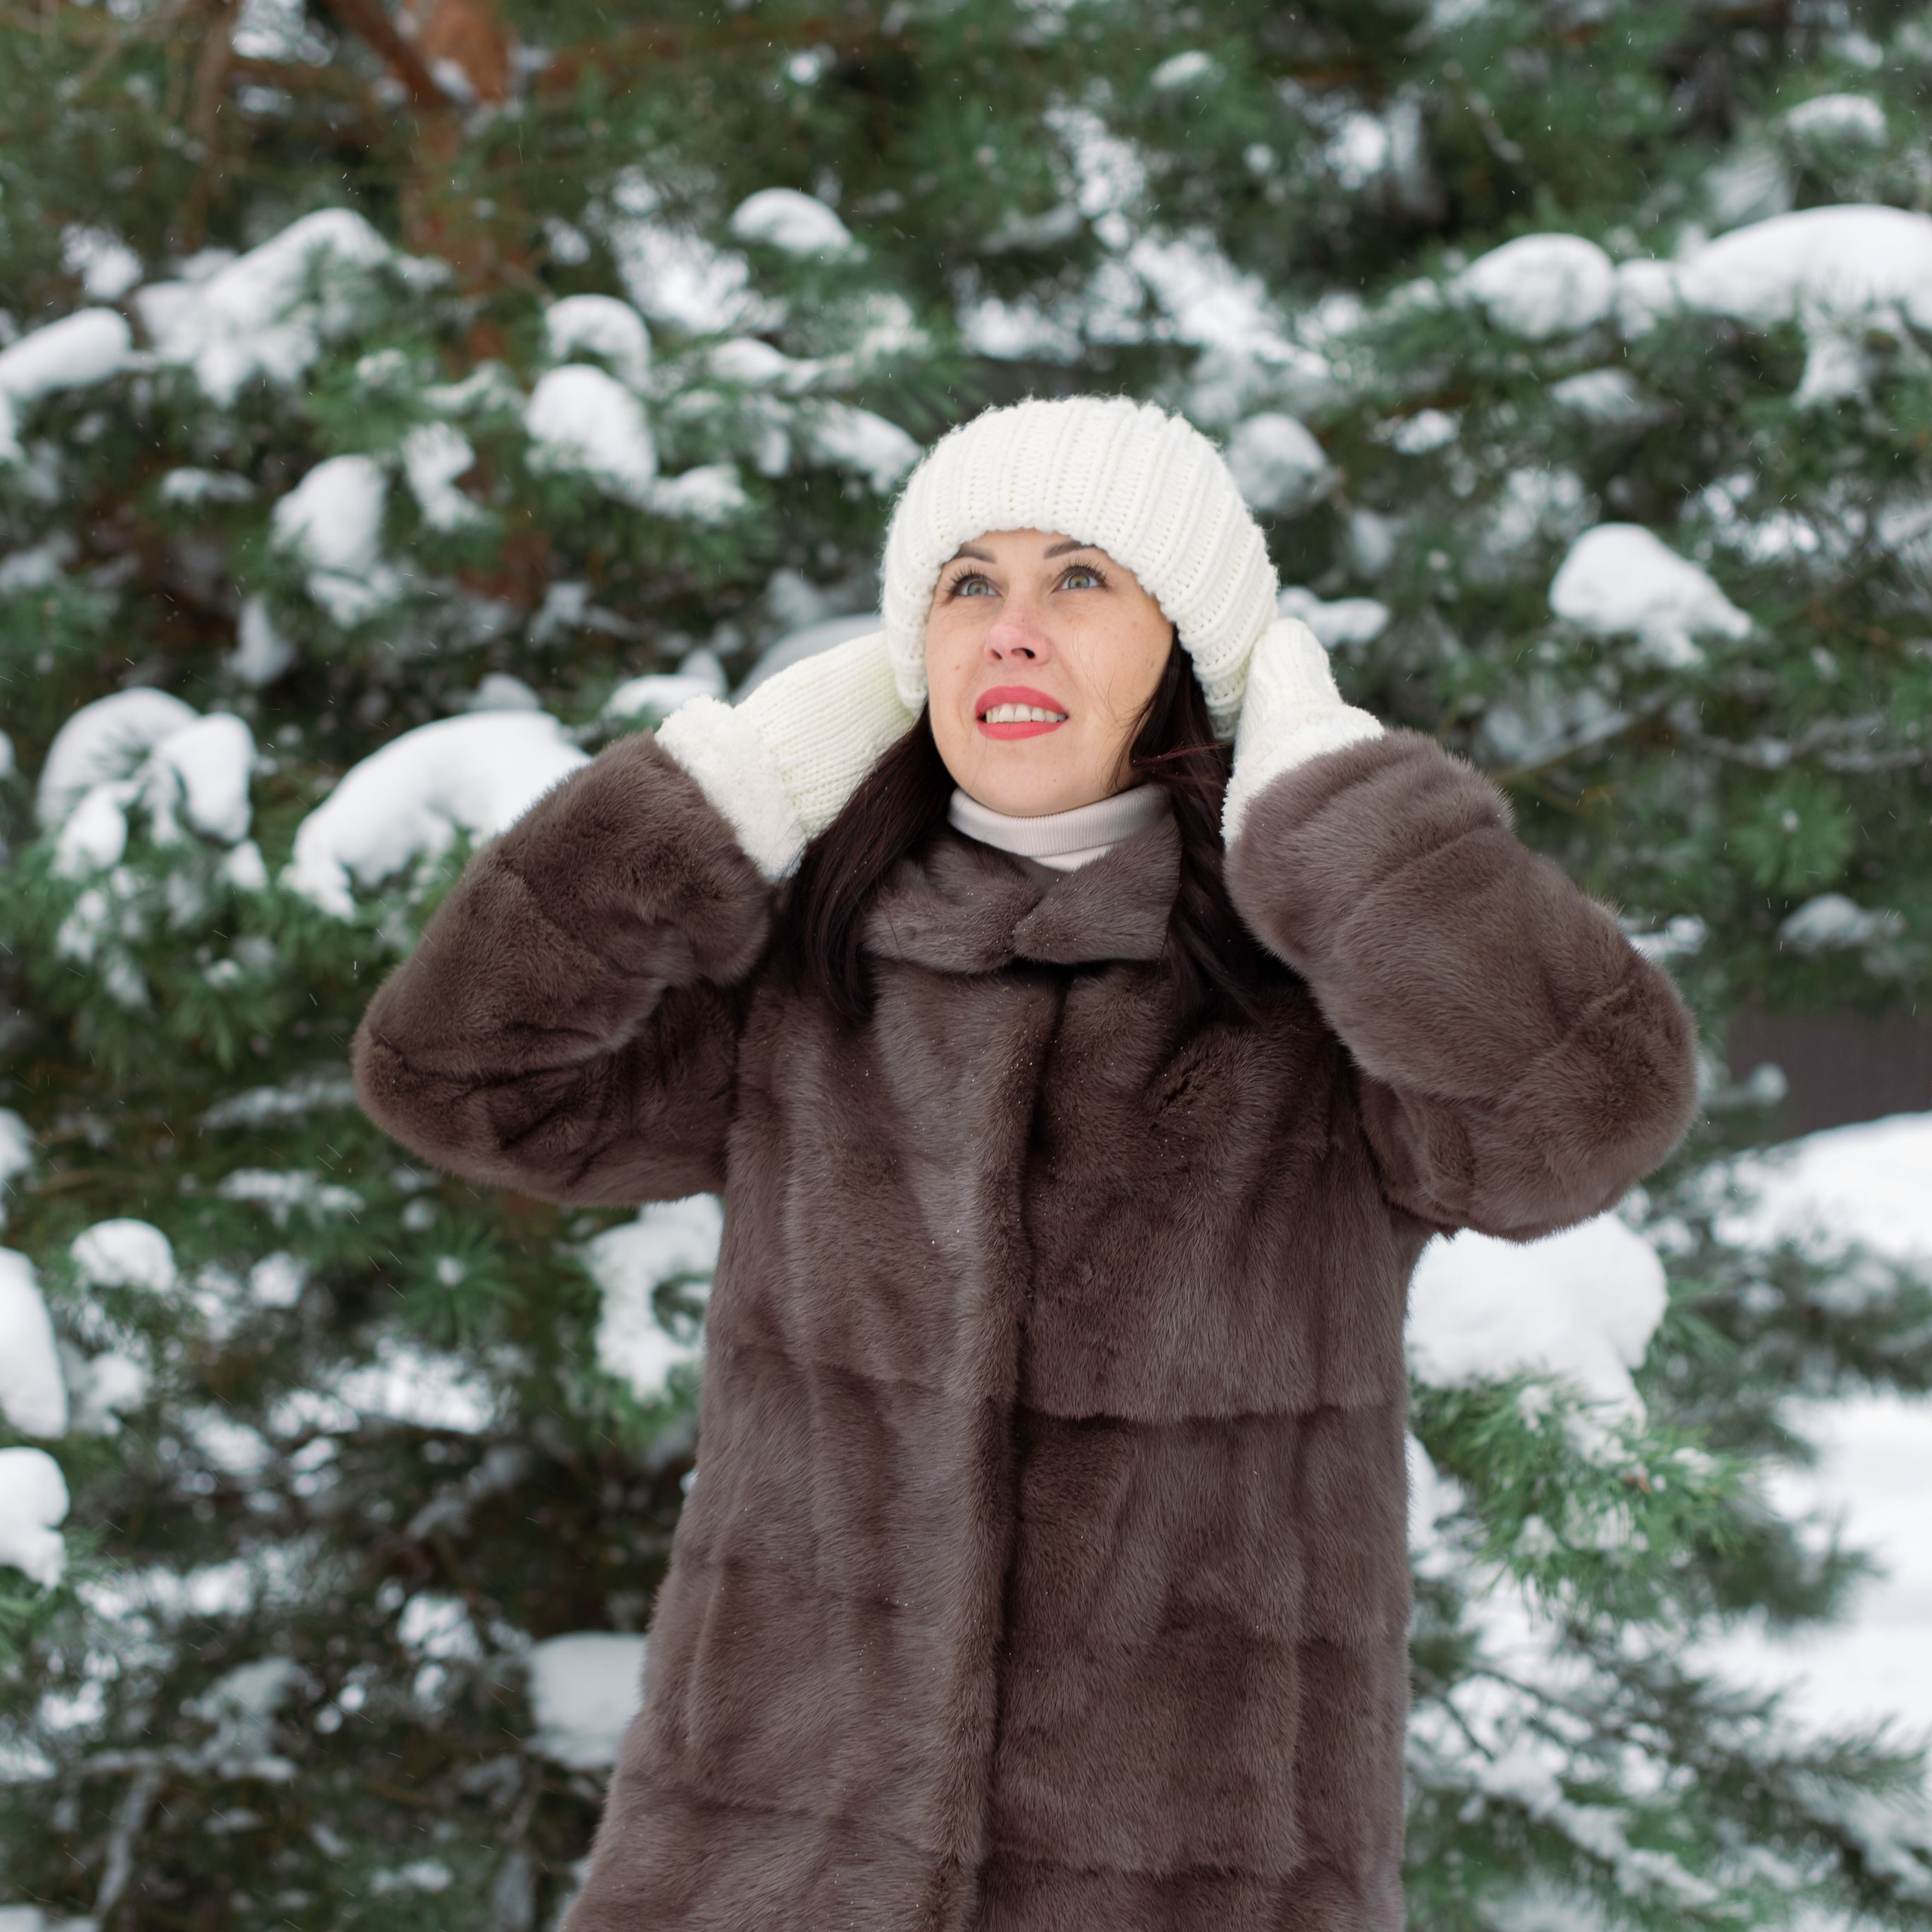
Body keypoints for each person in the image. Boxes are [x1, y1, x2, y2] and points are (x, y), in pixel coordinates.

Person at [353, 396, 1700, 1931]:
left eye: (1077, 579)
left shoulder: (1315, 1001)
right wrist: (713, 796)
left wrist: (1352, 827)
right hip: (757, 1874)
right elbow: (454, 1072)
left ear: (1182, 643)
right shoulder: (804, 970)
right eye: (964, 583)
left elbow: (1586, 1112)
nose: (1009, 629)